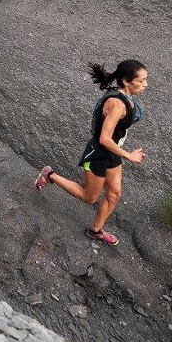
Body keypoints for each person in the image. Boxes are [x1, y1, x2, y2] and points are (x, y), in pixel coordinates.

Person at [34, 60, 148, 246]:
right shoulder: (117, 104)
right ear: (126, 82)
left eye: (146, 80)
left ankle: (95, 230)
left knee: (114, 194)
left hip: (112, 152)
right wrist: (128, 155)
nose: (145, 85)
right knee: (90, 197)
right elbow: (104, 139)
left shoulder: (126, 98)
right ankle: (50, 175)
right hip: (98, 155)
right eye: (141, 81)